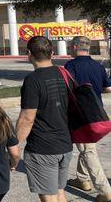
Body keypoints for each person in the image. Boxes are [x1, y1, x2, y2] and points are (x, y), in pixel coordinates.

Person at [16, 36, 72, 202]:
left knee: (48, 196)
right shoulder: (64, 74)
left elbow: (27, 118)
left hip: (43, 148)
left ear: (28, 54)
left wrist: (15, 144)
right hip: (65, 144)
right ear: (52, 53)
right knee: (60, 191)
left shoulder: (33, 80)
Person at [65, 36, 111, 202]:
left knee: (88, 151)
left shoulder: (70, 66)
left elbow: (66, 89)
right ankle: (82, 179)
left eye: (71, 46)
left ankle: (105, 191)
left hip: (81, 116)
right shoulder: (97, 67)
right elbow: (108, 87)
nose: (70, 49)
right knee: (88, 147)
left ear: (76, 47)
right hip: (97, 114)